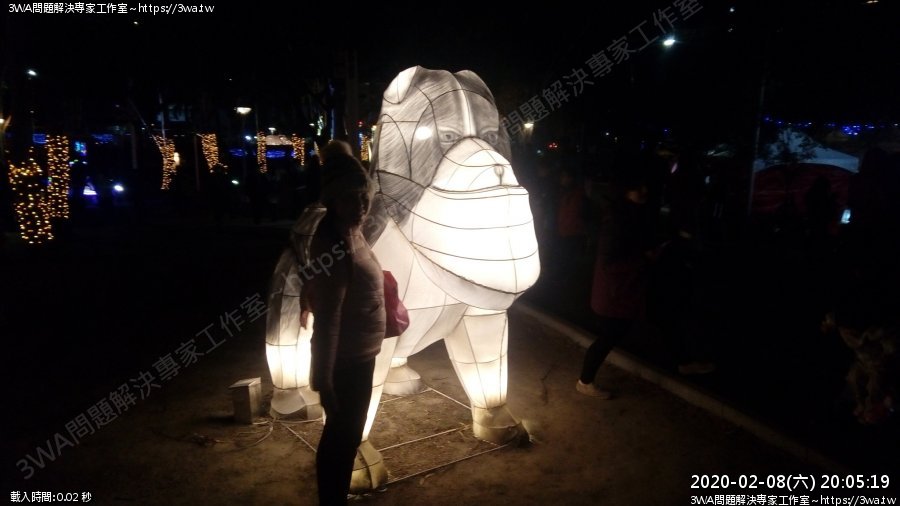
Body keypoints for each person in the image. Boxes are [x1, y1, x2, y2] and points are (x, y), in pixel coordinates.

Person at [303, 147, 385, 505]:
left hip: (361, 354)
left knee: (347, 436)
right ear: (333, 200)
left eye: (363, 195)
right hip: (347, 361)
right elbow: (327, 318)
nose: (361, 204)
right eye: (351, 197)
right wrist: (324, 380)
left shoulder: (352, 232)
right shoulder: (333, 245)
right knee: (341, 437)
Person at [577, 167, 656, 398]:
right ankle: (585, 381)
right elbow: (610, 261)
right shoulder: (618, 219)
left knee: (615, 333)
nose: (644, 191)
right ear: (625, 190)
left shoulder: (628, 214)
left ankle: (586, 380)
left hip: (621, 289)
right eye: (637, 187)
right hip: (614, 292)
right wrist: (645, 258)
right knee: (609, 336)